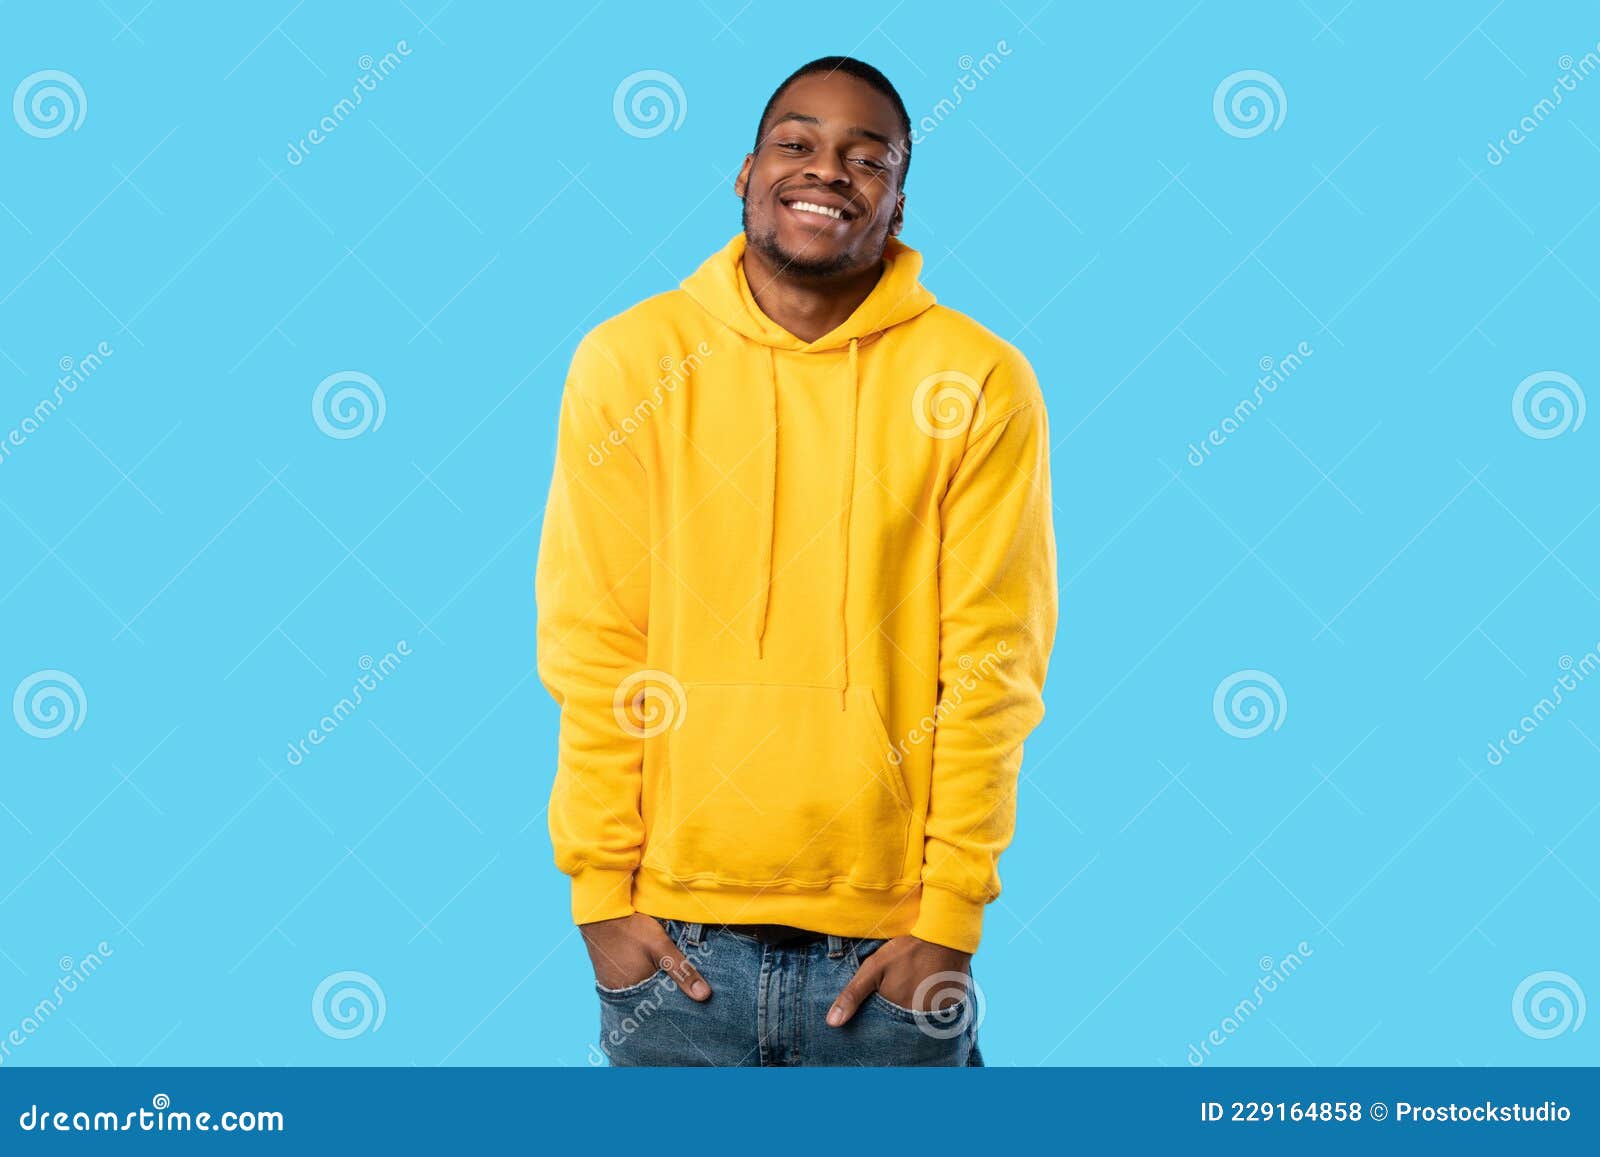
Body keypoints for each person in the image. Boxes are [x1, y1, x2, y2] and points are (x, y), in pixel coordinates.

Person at [536, 56, 1058, 1066]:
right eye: (798, 143)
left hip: (891, 953)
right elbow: (594, 641)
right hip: (673, 952)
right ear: (744, 172)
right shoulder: (630, 362)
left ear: (898, 199)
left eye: (868, 158)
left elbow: (994, 661)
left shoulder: (978, 378)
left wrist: (949, 915)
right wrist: (600, 898)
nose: (828, 170)